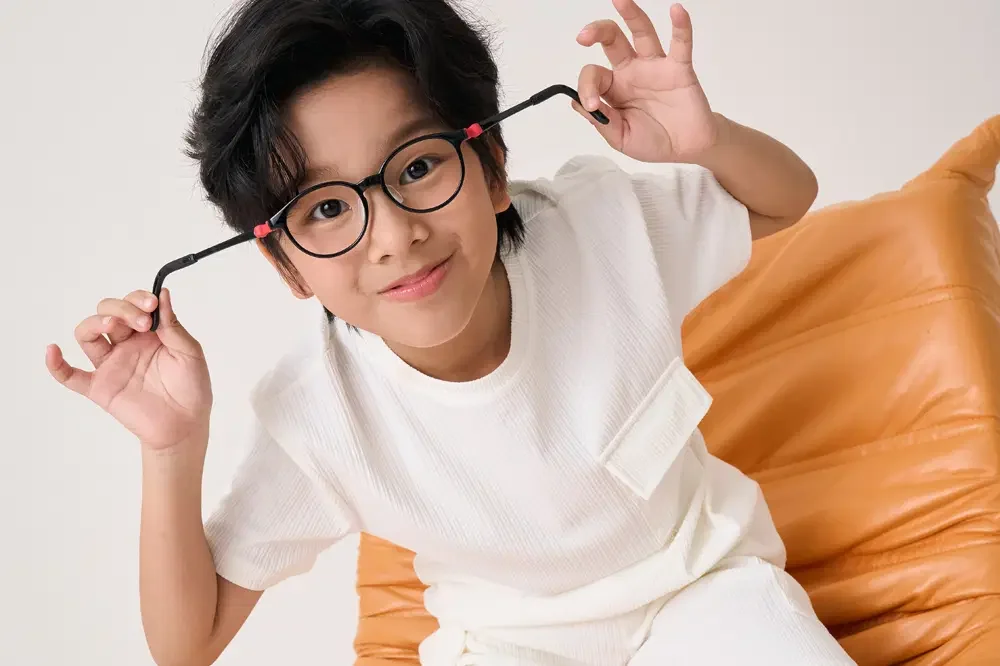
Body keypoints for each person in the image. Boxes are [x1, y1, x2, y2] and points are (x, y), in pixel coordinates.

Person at [45, 0, 856, 663]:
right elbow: (186, 644)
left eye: (418, 165)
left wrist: (708, 142)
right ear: (287, 267)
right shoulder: (317, 414)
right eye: (325, 210)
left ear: (493, 165)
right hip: (511, 644)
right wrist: (171, 450)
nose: (394, 235)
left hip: (705, 590)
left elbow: (786, 199)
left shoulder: (602, 226)